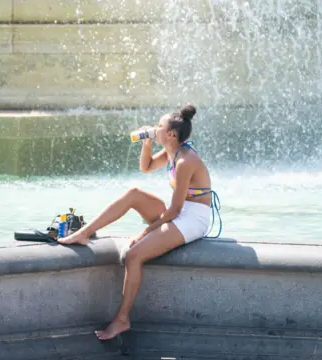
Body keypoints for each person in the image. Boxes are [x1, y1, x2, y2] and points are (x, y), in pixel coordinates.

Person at [57, 104, 221, 340]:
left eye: (159, 126)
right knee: (134, 193)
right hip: (180, 212)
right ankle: (84, 232)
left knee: (134, 255)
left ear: (171, 134)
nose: (155, 129)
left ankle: (122, 319)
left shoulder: (186, 160)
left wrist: (144, 233)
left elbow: (174, 211)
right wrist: (146, 143)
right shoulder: (170, 151)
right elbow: (145, 168)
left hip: (193, 218)